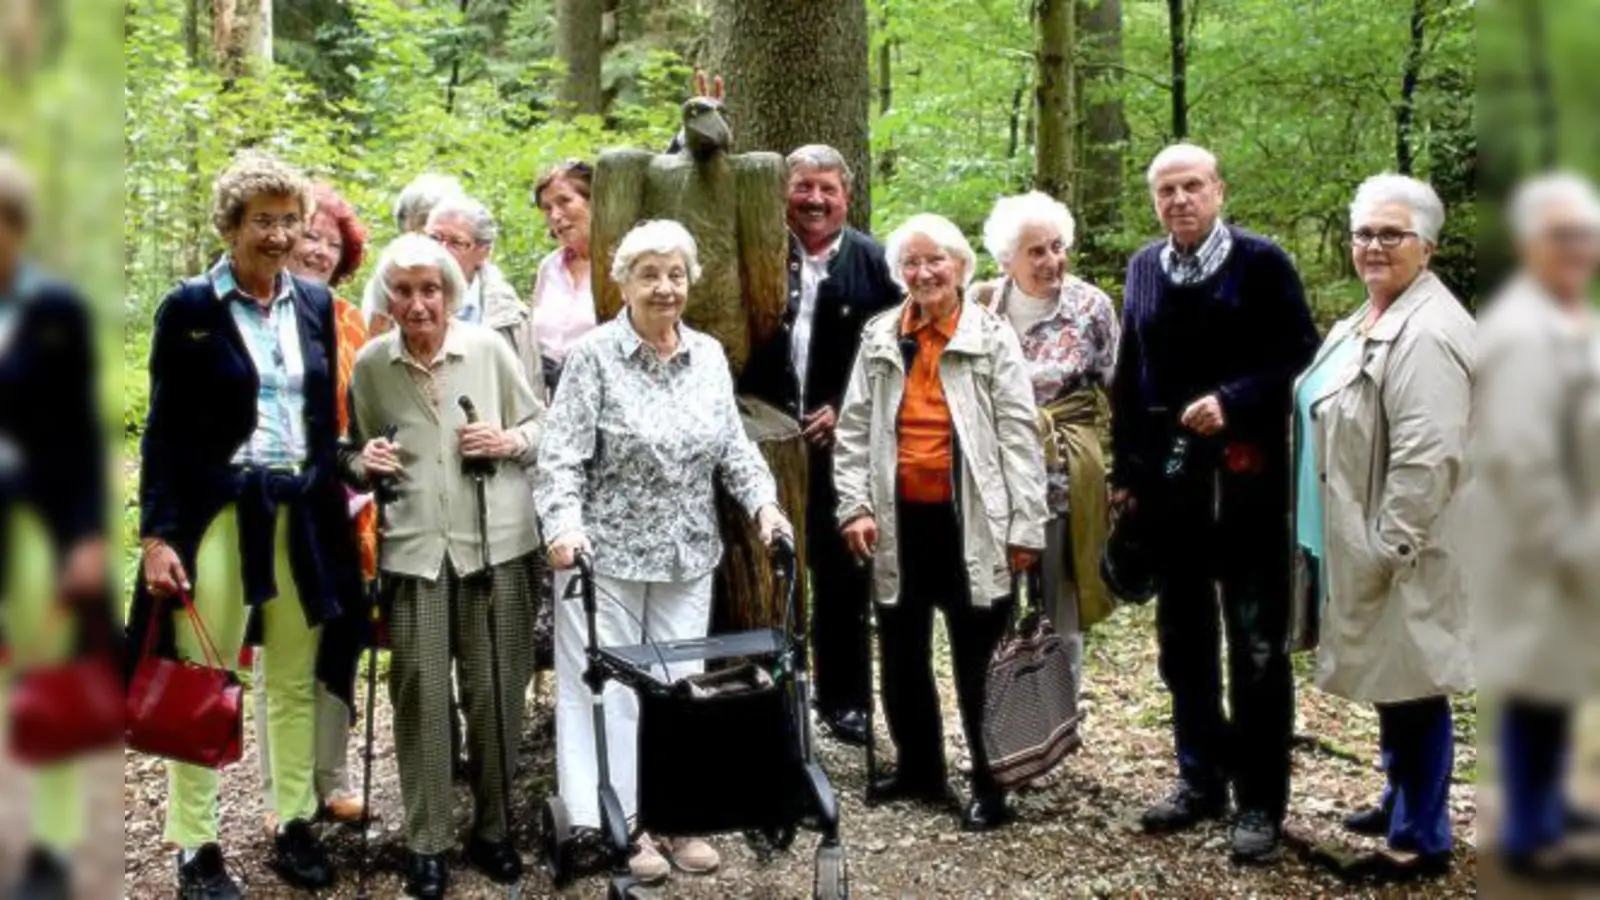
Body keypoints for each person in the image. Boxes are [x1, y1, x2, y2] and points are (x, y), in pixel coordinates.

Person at [131, 149, 364, 897]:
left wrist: (352, 465)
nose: (279, 235)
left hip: (303, 512)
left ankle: (292, 819)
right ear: (231, 225)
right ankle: (196, 845)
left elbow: (322, 418)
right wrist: (158, 536)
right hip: (222, 511)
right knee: (207, 669)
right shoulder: (191, 307)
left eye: (290, 220)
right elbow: (163, 431)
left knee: (294, 676)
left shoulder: (317, 306)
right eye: (262, 220)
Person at [535, 219, 793, 886]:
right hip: (604, 560)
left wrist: (764, 505)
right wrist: (563, 528)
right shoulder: (593, 357)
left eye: (676, 274)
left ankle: (677, 815)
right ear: (622, 282)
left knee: (682, 690)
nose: (665, 287)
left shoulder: (707, 355)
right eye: (649, 273)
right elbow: (560, 459)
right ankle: (613, 823)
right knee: (609, 690)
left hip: (686, 554)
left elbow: (735, 449)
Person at [1110, 142, 1318, 862]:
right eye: (1165, 190)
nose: (1179, 200)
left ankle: (1259, 801)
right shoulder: (1143, 268)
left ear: (1219, 189)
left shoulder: (1262, 264)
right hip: (1171, 491)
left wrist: (1233, 401)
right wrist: (1126, 475)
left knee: (1256, 648)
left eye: (1191, 185)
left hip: (1248, 483)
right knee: (1183, 643)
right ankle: (1201, 779)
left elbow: (1300, 356)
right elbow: (1130, 377)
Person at [343, 234, 545, 899]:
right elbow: (351, 453)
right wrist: (361, 463)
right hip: (415, 552)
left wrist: (508, 439)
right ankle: (427, 841)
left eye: (431, 289)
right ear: (388, 298)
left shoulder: (487, 349)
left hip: (497, 547)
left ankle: (494, 828)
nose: (418, 302)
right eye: (403, 290)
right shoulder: (372, 365)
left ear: (451, 294)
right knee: (421, 696)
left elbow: (544, 427)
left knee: (494, 694)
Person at [833, 212, 1049, 832]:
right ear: (900, 272)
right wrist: (855, 507)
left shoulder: (990, 335)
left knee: (979, 657)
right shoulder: (880, 336)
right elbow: (852, 431)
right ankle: (919, 768)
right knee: (901, 652)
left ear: (960, 267)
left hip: (975, 521)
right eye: (913, 263)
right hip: (898, 520)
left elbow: (1018, 434)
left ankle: (991, 782)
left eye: (937, 261)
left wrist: (1025, 527)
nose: (924, 273)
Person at [1293, 174, 1472, 882]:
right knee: (1394, 677)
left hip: (1406, 546)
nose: (1373, 246)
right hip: (1358, 532)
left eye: (1391, 234)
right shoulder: (1367, 316)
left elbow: (1430, 457)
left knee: (1417, 681)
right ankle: (1399, 797)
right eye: (1364, 232)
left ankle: (1421, 837)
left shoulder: (1429, 334)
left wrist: (1388, 545)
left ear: (1426, 246)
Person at [738, 144, 900, 748]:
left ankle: (847, 701)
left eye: (826, 189)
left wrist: (846, 405)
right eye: (803, 187)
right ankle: (770, 692)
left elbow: (892, 355)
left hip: (843, 442)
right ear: (784, 193)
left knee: (840, 575)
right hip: (765, 439)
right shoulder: (762, 253)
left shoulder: (876, 263)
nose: (814, 200)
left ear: (846, 197)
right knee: (768, 568)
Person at [1475, 172, 1600, 882]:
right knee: (1533, 684)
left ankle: (1551, 803)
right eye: (1561, 236)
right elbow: (1521, 454)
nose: (1576, 248)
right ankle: (1527, 825)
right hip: (1537, 546)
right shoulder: (1521, 332)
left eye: (1585, 235)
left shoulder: (1573, 318)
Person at [0, 148, 111, 900]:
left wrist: (88, 536)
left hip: (37, 518)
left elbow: (80, 436)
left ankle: (52, 845)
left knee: (49, 679)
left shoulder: (55, 311)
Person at [970, 191, 1120, 740]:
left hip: (1064, 474)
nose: (1052, 261)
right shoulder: (980, 306)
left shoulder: (1090, 307)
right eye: (1036, 251)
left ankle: (1059, 727)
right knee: (997, 606)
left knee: (1063, 607)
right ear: (1006, 258)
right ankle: (1006, 725)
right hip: (996, 480)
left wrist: (1123, 474)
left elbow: (1118, 389)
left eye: (1058, 247)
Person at [252, 180, 374, 835]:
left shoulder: (350, 316)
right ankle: (281, 791)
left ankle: (333, 778)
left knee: (342, 639)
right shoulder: (254, 311)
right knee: (285, 646)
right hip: (281, 499)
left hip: (347, 504)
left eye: (332, 242)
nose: (320, 250)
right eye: (310, 237)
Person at [365, 173, 466, 336]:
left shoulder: (484, 283)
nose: (443, 243)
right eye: (433, 233)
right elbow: (375, 342)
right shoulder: (388, 279)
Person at [530, 160, 597, 397]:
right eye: (547, 208)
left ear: (594, 200)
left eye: (564, 201)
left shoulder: (621, 266)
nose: (556, 215)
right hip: (548, 398)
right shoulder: (549, 267)